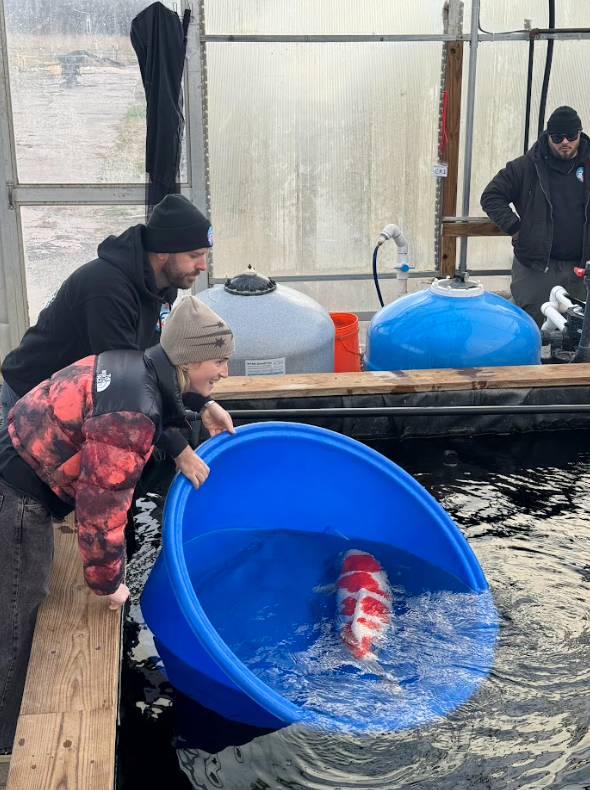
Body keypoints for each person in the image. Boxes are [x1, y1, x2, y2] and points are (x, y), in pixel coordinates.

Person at [0, 296, 234, 755]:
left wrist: (202, 408)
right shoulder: (133, 411)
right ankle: (6, 743)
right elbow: (101, 507)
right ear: (187, 357)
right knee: (15, 617)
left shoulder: (139, 362)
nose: (225, 370)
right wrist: (108, 583)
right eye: (219, 360)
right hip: (20, 496)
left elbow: (158, 401)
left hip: (18, 448)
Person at [0, 193, 231, 490]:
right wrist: (179, 449)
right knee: (27, 499)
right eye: (194, 255)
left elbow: (155, 362)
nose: (203, 266)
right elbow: (125, 385)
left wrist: (202, 403)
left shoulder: (163, 288)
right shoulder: (105, 288)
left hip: (79, 395)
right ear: (163, 251)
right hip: (31, 395)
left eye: (205, 255)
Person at [480, 105, 590, 326]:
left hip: (581, 267)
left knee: (577, 330)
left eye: (571, 135)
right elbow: (491, 196)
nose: (565, 142)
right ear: (548, 136)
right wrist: (516, 228)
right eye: (558, 137)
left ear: (579, 134)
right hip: (536, 266)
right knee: (530, 325)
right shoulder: (526, 166)